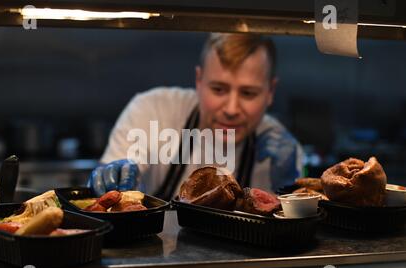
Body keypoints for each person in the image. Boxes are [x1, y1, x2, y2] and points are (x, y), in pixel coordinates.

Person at [89, 33, 303, 200]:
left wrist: (287, 186)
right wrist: (113, 175)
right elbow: (113, 174)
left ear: (270, 92)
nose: (231, 109)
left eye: (248, 93)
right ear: (199, 81)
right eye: (219, 89)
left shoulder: (282, 153)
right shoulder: (154, 109)